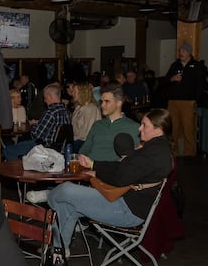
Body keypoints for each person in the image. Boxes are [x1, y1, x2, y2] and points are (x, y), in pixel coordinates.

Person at [50, 108, 173, 252]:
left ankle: (46, 196)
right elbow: (122, 167)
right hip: (125, 201)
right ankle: (59, 251)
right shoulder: (155, 148)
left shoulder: (153, 154)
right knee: (67, 205)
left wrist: (97, 172)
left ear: (158, 129)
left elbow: (120, 178)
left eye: (144, 125)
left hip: (127, 211)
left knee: (66, 189)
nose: (140, 129)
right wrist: (93, 165)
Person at [3, 83, 70, 160]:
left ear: (49, 96)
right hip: (59, 149)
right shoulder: (66, 112)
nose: (44, 101)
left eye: (45, 98)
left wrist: (33, 126)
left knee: (8, 150)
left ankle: (17, 170)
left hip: (44, 148)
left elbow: (36, 135)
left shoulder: (50, 113)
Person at [163, 44, 207, 156]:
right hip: (173, 102)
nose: (180, 53)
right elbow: (165, 81)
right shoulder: (175, 65)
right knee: (173, 129)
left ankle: (189, 155)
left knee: (188, 130)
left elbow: (200, 85)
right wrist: (172, 78)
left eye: (183, 51)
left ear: (189, 52)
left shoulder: (196, 65)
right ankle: (173, 154)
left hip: (188, 102)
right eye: (179, 51)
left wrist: (195, 100)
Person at [78, 83, 140, 163]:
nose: (102, 105)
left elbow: (132, 159)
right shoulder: (97, 125)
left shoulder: (133, 127)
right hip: (88, 169)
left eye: (107, 101)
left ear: (119, 103)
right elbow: (84, 150)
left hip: (111, 172)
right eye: (102, 101)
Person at [69, 81, 100, 150]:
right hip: (77, 141)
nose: (72, 94)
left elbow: (87, 134)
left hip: (85, 144)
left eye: (75, 91)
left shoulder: (91, 109)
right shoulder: (79, 107)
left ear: (82, 93)